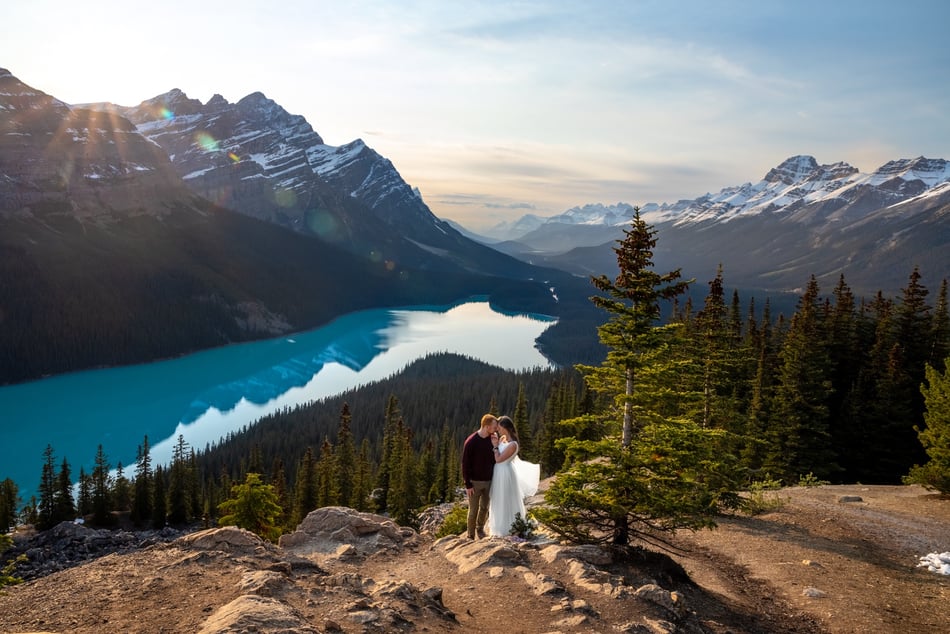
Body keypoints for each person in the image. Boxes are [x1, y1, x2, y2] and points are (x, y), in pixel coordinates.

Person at [487, 415, 540, 537]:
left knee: (505, 499)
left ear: (505, 427)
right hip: (499, 473)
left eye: (499, 427)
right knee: (498, 499)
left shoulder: (513, 444)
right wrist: (497, 443)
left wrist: (495, 446)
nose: (497, 430)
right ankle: (499, 527)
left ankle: (508, 528)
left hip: (505, 473)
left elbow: (499, 459)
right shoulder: (504, 441)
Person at [461, 413, 498, 539]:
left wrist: (495, 445)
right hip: (474, 482)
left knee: (484, 508)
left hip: (488, 481)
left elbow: (495, 459)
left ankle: (480, 528)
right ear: (487, 426)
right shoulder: (471, 442)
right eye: (494, 426)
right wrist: (468, 484)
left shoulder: (492, 440)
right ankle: (470, 535)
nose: (496, 429)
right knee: (473, 511)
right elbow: (465, 464)